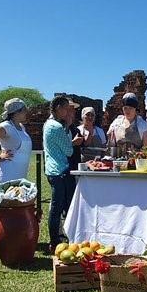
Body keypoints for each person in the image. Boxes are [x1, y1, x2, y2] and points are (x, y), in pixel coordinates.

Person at [44, 96, 80, 252]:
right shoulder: (57, 127)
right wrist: (68, 131)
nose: (68, 112)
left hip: (54, 170)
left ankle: (59, 237)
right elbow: (68, 150)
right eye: (66, 108)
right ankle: (55, 240)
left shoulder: (48, 124)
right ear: (58, 108)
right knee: (58, 207)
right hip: (59, 170)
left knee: (58, 206)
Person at [0, 98, 33, 184]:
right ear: (17, 112)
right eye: (24, 110)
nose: (26, 112)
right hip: (8, 173)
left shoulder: (22, 127)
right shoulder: (5, 126)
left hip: (21, 172)